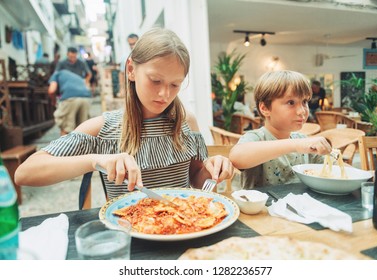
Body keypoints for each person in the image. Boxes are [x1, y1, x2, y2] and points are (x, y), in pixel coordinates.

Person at [15, 27, 234, 200]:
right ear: (131, 69)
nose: (164, 94)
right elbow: (24, 173)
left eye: (175, 84)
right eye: (155, 80)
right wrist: (95, 160)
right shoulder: (103, 128)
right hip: (129, 233)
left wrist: (213, 171)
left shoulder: (186, 122)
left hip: (182, 225)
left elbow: (196, 179)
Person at [229, 70, 332, 189]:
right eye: (291, 102)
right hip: (263, 207)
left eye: (304, 102)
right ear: (265, 108)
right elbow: (237, 157)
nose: (302, 111)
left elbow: (336, 168)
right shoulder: (257, 138)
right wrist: (296, 145)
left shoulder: (303, 141)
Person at [47, 69, 92, 136]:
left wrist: (53, 101)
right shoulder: (74, 76)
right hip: (86, 98)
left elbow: (52, 90)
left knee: (66, 129)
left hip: (70, 98)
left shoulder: (56, 74)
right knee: (83, 130)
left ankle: (65, 146)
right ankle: (82, 146)